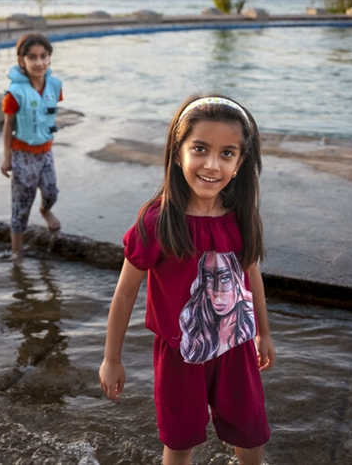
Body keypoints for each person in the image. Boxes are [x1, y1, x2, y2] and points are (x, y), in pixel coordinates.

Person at [98, 94, 275, 465]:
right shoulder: (157, 221)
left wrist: (264, 332)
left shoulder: (239, 216)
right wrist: (111, 359)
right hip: (180, 354)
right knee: (180, 444)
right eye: (200, 149)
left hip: (236, 349)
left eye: (227, 153)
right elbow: (126, 293)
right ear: (178, 152)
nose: (212, 164)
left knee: (252, 435)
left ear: (240, 163)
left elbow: (251, 275)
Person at [0, 33, 63, 260]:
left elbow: (50, 110)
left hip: (45, 152)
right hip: (22, 154)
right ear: (21, 61)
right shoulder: (15, 93)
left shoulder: (54, 85)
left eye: (44, 56)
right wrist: (6, 157)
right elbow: (8, 126)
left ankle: (45, 210)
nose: (39, 63)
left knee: (51, 191)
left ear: (49, 58)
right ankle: (17, 251)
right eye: (32, 57)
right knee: (21, 202)